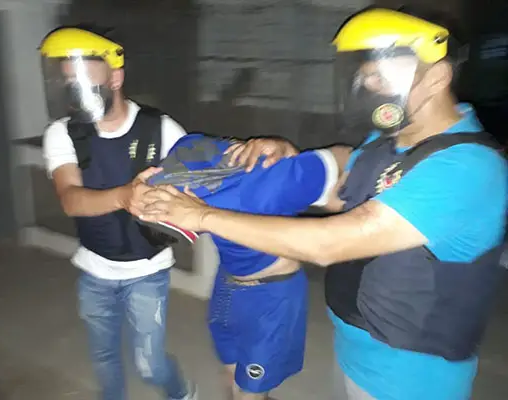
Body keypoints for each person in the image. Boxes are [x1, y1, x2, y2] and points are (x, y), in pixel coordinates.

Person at [134, 7, 508, 400]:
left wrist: (202, 215)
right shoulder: (389, 142)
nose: (370, 87)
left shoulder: (467, 168)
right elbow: (349, 173)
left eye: (383, 76)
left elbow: (329, 244)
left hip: (412, 373)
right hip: (356, 345)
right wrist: (289, 153)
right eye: (366, 75)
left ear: (437, 77)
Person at [38, 25, 196, 400]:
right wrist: (125, 196)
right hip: (94, 270)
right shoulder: (63, 133)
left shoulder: (161, 129)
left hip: (148, 270)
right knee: (105, 358)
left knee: (150, 365)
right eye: (68, 81)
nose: (75, 90)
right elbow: (71, 199)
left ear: (115, 77)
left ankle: (181, 393)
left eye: (83, 81)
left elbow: (195, 190)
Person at [141, 132, 346, 400]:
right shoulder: (184, 149)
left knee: (250, 391)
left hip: (272, 296)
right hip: (227, 280)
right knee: (230, 370)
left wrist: (287, 149)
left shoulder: (271, 180)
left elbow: (347, 158)